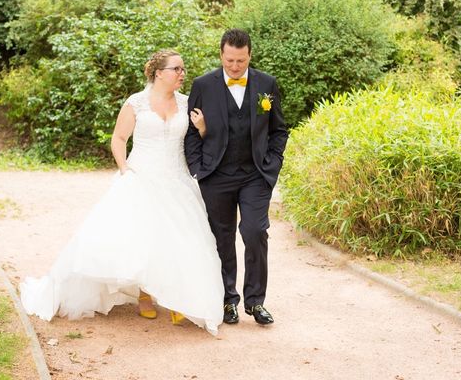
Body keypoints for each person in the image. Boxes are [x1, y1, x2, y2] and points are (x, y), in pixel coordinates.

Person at [20, 50, 224, 335]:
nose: (182, 74)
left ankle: (180, 298)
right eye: (176, 69)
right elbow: (119, 138)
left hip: (177, 179)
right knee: (143, 236)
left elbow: (197, 143)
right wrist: (124, 169)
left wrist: (202, 129)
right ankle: (144, 293)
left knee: (182, 238)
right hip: (140, 176)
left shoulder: (187, 103)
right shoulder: (136, 103)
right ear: (158, 73)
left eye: (183, 69)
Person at [185, 29, 288, 325]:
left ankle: (256, 303)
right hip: (216, 175)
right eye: (230, 60)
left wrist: (272, 164)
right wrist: (198, 168)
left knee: (255, 232)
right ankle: (227, 300)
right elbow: (191, 132)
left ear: (250, 56)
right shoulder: (203, 85)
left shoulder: (266, 84)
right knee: (222, 238)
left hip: (255, 174)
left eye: (240, 61)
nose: (234, 66)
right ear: (221, 55)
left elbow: (279, 130)